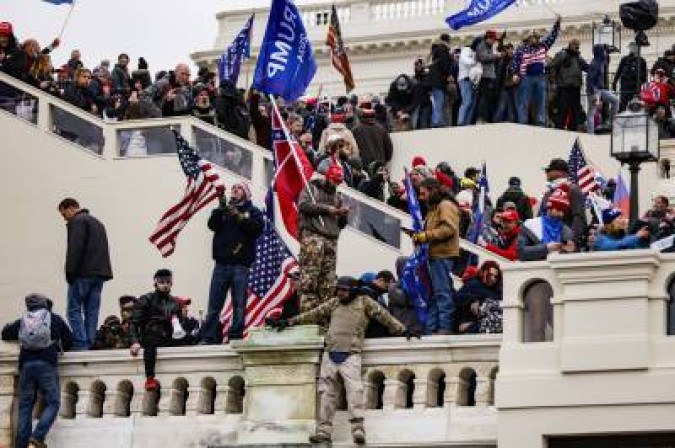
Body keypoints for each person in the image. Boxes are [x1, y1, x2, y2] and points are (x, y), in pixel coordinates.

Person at [266, 276, 416, 445]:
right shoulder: (334, 303)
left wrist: (403, 330)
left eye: (344, 290)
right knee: (327, 395)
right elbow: (313, 314)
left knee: (355, 393)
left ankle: (358, 430)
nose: (340, 293)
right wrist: (287, 322)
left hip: (351, 355)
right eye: (339, 289)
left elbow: (384, 317)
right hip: (330, 355)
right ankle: (323, 431)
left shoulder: (364, 302)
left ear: (352, 291)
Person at [2, 293, 73, 448]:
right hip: (47, 363)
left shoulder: (23, 321)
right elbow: (69, 340)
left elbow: (5, 333)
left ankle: (21, 444)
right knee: (53, 402)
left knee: (26, 405)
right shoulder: (55, 319)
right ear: (46, 305)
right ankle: (37, 437)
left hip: (26, 365)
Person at [202, 183, 264, 343]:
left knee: (239, 304)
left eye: (239, 188)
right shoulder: (223, 210)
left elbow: (256, 229)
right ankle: (208, 337)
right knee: (214, 305)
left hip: (240, 265)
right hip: (221, 264)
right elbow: (212, 225)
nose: (234, 190)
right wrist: (221, 208)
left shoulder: (253, 211)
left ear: (246, 193)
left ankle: (235, 336)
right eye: (233, 188)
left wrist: (238, 215)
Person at [519, 187, 576, 342]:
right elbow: (522, 252)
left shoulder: (567, 231)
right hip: (538, 281)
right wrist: (546, 248)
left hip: (559, 281)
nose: (561, 213)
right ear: (549, 207)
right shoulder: (531, 225)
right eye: (558, 209)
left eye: (563, 210)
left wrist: (570, 252)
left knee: (564, 327)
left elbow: (572, 256)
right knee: (537, 327)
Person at [58, 198, 113, 350]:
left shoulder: (77, 221)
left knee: (73, 309)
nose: (65, 219)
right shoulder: (98, 223)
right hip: (100, 274)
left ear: (70, 208)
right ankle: (90, 342)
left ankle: (81, 344)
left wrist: (69, 271)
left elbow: (75, 247)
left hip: (82, 273)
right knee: (92, 310)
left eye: (64, 214)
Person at [407, 178, 460, 335]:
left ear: (432, 190)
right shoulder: (434, 208)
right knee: (435, 295)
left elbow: (449, 229)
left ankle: (445, 328)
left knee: (443, 293)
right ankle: (431, 329)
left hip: (442, 255)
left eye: (423, 193)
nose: (421, 197)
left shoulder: (445, 205)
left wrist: (425, 236)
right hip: (434, 255)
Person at [297, 160, 349, 312]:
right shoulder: (311, 188)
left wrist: (343, 215)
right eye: (334, 181)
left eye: (338, 182)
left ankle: (323, 314)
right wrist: (328, 210)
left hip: (331, 239)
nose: (335, 185)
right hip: (314, 236)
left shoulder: (338, 196)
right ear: (327, 177)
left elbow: (341, 223)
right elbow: (303, 206)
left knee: (328, 280)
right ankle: (307, 312)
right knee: (310, 276)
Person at [129, 269, 183, 391]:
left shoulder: (175, 302)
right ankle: (150, 377)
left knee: (188, 338)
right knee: (151, 340)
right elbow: (134, 323)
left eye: (168, 282)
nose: (165, 285)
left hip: (169, 334)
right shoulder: (146, 299)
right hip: (152, 334)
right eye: (162, 282)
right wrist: (134, 341)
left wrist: (177, 322)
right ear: (156, 283)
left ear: (171, 284)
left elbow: (181, 324)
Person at [511, 15, 561, 126]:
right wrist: (515, 74)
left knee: (541, 102)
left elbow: (552, 36)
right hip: (526, 78)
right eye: (535, 37)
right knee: (524, 101)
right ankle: (522, 122)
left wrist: (557, 24)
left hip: (540, 77)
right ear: (530, 38)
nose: (537, 39)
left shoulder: (543, 46)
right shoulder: (521, 48)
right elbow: (515, 62)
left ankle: (540, 123)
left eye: (538, 38)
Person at [539, 158, 588, 246]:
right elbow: (540, 216)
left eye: (550, 170)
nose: (547, 173)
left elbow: (579, 218)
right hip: (546, 240)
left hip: (564, 241)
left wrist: (571, 240)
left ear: (562, 173)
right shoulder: (548, 192)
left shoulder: (573, 189)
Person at [550, 39, 588, 130]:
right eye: (575, 46)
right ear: (570, 45)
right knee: (562, 111)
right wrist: (554, 81)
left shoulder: (578, 57)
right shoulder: (562, 54)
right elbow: (552, 66)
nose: (577, 48)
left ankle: (573, 128)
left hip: (575, 88)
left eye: (578, 46)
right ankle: (559, 128)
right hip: (564, 87)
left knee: (575, 111)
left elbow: (586, 67)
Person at [455, 261, 503, 334]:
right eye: (490, 275)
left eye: (495, 277)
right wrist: (472, 300)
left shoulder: (496, 290)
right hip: (471, 324)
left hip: (486, 323)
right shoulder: (473, 284)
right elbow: (458, 298)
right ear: (483, 272)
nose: (493, 279)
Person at [586, 44, 619, 134]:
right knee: (592, 112)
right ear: (600, 52)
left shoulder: (600, 61)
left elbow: (606, 60)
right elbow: (590, 79)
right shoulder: (595, 64)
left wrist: (609, 50)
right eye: (603, 51)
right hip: (594, 90)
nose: (605, 52)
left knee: (615, 100)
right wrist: (594, 95)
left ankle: (612, 123)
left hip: (601, 90)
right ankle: (590, 133)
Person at [474, 30, 503, 124]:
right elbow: (482, 57)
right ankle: (480, 118)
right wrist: (495, 56)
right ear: (488, 38)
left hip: (490, 76)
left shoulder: (488, 46)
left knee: (487, 99)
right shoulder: (481, 46)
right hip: (484, 76)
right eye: (493, 39)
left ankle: (484, 118)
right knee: (484, 98)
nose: (494, 41)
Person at [428, 33, 454, 127]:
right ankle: (436, 121)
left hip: (437, 80)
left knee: (439, 101)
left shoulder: (437, 49)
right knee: (439, 101)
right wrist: (449, 74)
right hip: (438, 80)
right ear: (447, 41)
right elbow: (444, 65)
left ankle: (439, 121)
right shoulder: (442, 49)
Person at [612, 42, 647, 111]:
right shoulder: (625, 59)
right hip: (626, 84)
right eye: (632, 47)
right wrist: (614, 82)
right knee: (623, 102)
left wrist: (642, 82)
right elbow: (619, 71)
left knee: (635, 104)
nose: (633, 49)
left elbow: (644, 74)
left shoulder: (641, 60)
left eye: (635, 47)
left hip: (636, 85)